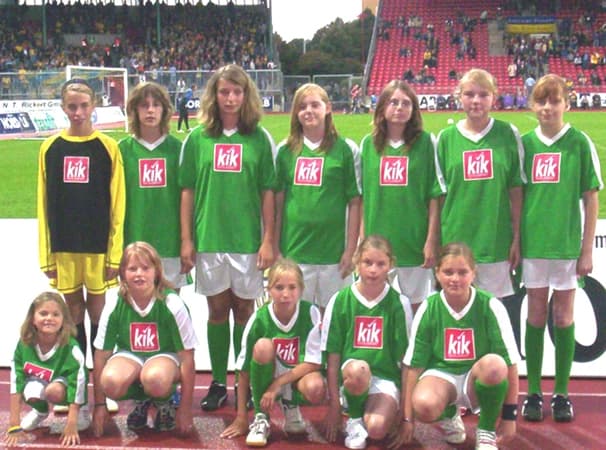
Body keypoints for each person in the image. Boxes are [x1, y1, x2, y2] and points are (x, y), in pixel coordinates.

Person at [179, 64, 276, 411]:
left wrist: (268, 240)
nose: (231, 98)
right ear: (214, 96)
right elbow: (187, 191)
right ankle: (219, 382)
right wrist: (187, 239)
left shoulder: (260, 138)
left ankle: (244, 381)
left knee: (245, 311)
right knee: (217, 311)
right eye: (224, 92)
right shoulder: (198, 138)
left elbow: (268, 192)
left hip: (248, 241)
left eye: (237, 92)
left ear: (246, 95)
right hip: (210, 239)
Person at [37, 78, 125, 412]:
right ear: (63, 107)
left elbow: (118, 204)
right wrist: (46, 253)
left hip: (99, 249)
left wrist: (115, 252)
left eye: (83, 106)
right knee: (71, 317)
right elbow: (43, 204)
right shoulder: (50, 148)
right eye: (71, 106)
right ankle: (75, 386)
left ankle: (103, 389)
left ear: (94, 106)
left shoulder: (107, 148)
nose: (77, 112)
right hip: (64, 247)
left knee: (99, 316)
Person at [520, 74, 603, 423]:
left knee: (564, 316)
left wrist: (586, 250)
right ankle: (535, 392)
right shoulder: (524, 144)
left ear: (567, 104)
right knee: (536, 315)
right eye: (541, 101)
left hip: (567, 246)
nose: (548, 108)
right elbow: (516, 198)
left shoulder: (579, 143)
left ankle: (563, 394)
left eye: (554, 101)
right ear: (533, 106)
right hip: (533, 245)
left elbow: (591, 197)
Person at [392, 242, 520, 450]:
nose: (455, 279)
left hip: (475, 377)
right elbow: (412, 366)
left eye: (462, 272)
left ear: (473, 273)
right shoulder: (429, 307)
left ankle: (485, 430)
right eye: (448, 272)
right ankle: (449, 415)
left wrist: (510, 417)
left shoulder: (490, 305)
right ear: (437, 273)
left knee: (496, 365)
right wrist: (408, 419)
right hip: (443, 377)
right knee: (423, 403)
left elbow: (511, 364)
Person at [434, 68, 525, 299]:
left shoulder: (508, 133)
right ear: (459, 97)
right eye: (469, 94)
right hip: (455, 242)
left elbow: (516, 190)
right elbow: (439, 196)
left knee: (492, 316)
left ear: (494, 97)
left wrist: (517, 237)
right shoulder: (445, 139)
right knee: (459, 318)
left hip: (495, 242)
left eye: (483, 94)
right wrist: (436, 242)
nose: (476, 101)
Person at [91, 242, 197, 436]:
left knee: (154, 378)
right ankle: (142, 401)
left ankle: (163, 402)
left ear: (156, 271)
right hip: (131, 355)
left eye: (145, 268)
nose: (139, 274)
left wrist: (185, 408)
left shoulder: (172, 303)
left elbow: (187, 357)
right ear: (123, 274)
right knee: (110, 381)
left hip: (165, 357)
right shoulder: (115, 302)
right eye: (132, 268)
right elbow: (100, 355)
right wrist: (99, 405)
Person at [274, 82, 361, 312]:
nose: (308, 111)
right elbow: (279, 201)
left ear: (328, 108)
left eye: (315, 104)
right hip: (295, 251)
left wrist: (351, 249)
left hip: (333, 254)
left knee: (332, 319)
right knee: (297, 319)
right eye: (302, 106)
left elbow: (355, 202)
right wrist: (275, 246)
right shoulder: (285, 151)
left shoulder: (346, 150)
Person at [221, 258, 325, 447]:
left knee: (316, 388)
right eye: (279, 287)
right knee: (262, 346)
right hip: (267, 375)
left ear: (301, 289)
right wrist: (241, 417)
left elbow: (314, 362)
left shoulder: (310, 313)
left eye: (292, 287)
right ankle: (261, 417)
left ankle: (291, 405)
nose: (286, 294)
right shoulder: (259, 318)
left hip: (294, 377)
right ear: (269, 290)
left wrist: (278, 384)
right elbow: (243, 370)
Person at [321, 235, 412, 449]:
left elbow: (407, 362)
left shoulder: (400, 303)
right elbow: (332, 358)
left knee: (377, 430)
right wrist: (334, 404)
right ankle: (353, 417)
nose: (373, 270)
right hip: (351, 376)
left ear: (391, 265)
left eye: (381, 264)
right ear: (357, 263)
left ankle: (369, 413)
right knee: (358, 369)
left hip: (385, 379)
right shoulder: (340, 300)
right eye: (367, 263)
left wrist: (406, 415)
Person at [360, 80, 439, 309]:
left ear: (414, 110)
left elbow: (434, 195)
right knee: (378, 308)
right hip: (378, 243)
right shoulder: (368, 145)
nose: (399, 107)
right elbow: (363, 197)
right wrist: (363, 240)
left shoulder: (426, 143)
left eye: (406, 103)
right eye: (393, 102)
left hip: (413, 242)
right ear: (382, 107)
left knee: (416, 309)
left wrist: (431, 240)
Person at [120, 81, 189, 290]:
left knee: (171, 305)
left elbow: (188, 198)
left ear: (165, 110)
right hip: (134, 240)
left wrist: (187, 241)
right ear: (134, 110)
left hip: (170, 242)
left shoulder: (179, 150)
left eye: (156, 105)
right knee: (136, 306)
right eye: (144, 105)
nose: (150, 110)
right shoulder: (121, 151)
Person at [5, 292, 90, 447]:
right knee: (29, 390)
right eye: (43, 313)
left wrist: (71, 423)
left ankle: (83, 409)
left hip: (64, 387)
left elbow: (77, 384)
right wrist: (14, 424)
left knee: (54, 391)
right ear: (32, 318)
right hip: (41, 381)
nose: (49, 318)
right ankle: (40, 411)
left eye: (56, 314)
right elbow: (16, 380)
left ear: (64, 320)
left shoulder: (71, 348)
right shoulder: (24, 344)